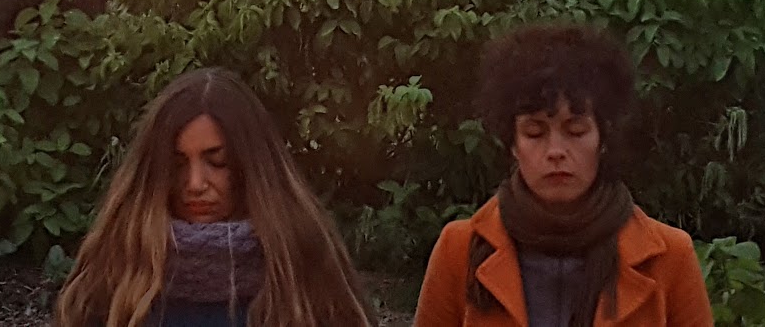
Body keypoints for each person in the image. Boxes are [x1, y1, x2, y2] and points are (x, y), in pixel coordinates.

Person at [414, 24, 712, 327]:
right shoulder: (459, 250)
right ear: (512, 144)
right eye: (534, 132)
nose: (555, 151)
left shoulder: (670, 257)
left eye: (576, 131)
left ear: (603, 138)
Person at [53, 67, 372, 327]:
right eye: (177, 164)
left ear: (250, 166)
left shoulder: (301, 263)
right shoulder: (116, 269)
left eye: (217, 161)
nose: (195, 184)